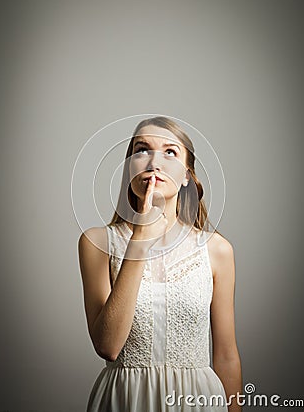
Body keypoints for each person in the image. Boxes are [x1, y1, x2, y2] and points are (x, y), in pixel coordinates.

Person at [78, 116, 242, 411]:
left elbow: (227, 355)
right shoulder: (96, 242)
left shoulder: (217, 250)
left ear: (186, 176)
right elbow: (108, 346)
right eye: (142, 149)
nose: (155, 161)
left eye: (170, 152)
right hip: (125, 400)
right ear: (129, 169)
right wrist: (141, 235)